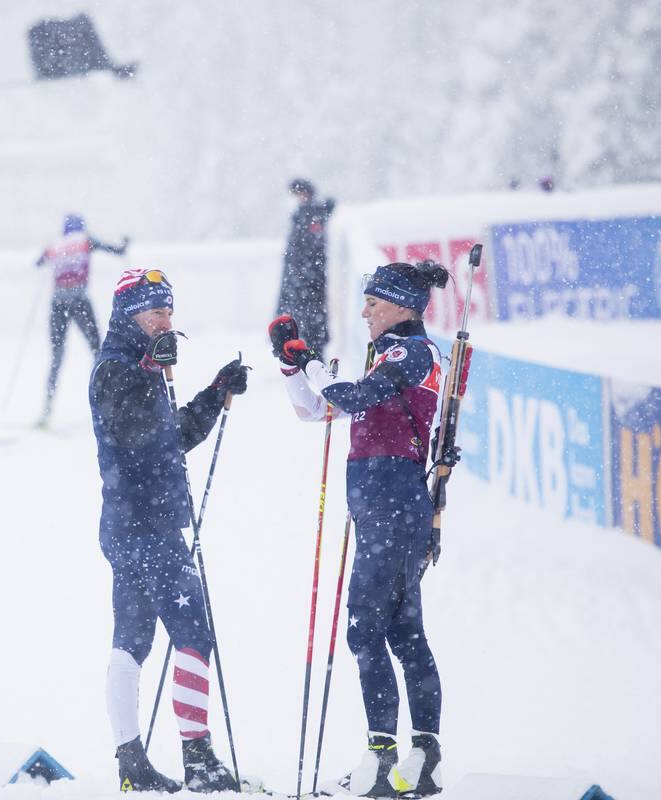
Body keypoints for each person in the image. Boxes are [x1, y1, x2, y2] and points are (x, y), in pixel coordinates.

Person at [269, 260, 451, 798]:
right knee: (397, 631)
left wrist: (310, 361)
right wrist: (289, 365)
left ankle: (393, 757)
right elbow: (316, 411)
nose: (366, 310)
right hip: (381, 507)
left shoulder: (413, 353)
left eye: (374, 301)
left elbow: (349, 397)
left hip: (395, 505)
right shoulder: (384, 357)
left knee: (369, 629)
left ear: (402, 306)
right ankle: (416, 756)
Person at [89, 267, 249, 793]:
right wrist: (146, 369)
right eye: (155, 310)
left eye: (169, 310)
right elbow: (135, 435)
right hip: (146, 528)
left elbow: (170, 437)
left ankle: (130, 763)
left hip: (133, 527)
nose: (165, 320)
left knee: (131, 641)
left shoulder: (140, 363)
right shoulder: (114, 367)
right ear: (127, 314)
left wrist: (214, 392)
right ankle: (198, 759)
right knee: (193, 635)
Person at [34, 213, 128, 427]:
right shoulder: (86, 240)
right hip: (79, 301)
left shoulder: (55, 245)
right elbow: (117, 250)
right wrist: (125, 244)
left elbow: (38, 263)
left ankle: (46, 410)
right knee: (97, 349)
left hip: (57, 303)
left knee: (57, 355)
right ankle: (104, 402)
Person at [275, 178, 335, 353]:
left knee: (308, 326)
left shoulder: (309, 214)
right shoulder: (311, 213)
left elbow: (309, 248)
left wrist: (299, 277)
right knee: (309, 326)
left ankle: (310, 360)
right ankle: (310, 358)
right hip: (306, 282)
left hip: (306, 283)